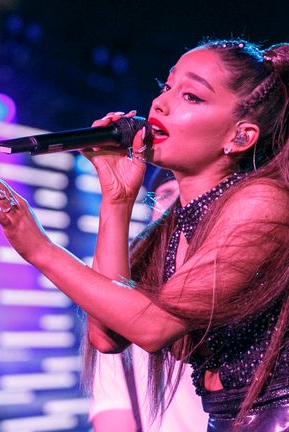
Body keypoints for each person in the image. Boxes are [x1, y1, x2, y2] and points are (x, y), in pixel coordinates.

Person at [0, 38, 289, 431]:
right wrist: (117, 200)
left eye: (191, 95)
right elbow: (108, 337)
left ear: (240, 136)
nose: (161, 104)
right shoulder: (178, 225)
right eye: (165, 87)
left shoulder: (264, 202)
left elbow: (151, 326)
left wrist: (41, 251)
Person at [89, 170, 208, 432]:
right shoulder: (125, 303)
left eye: (189, 192)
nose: (178, 205)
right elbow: (113, 417)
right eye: (166, 195)